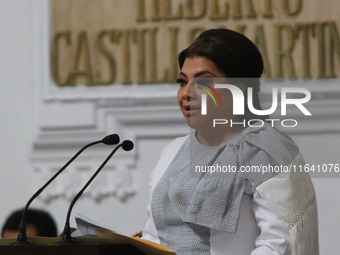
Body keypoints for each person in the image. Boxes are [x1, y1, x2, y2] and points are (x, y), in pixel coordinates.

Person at [141, 29, 319, 255]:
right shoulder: (172, 152)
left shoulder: (267, 150)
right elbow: (152, 238)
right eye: (182, 82)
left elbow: (279, 244)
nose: (187, 93)